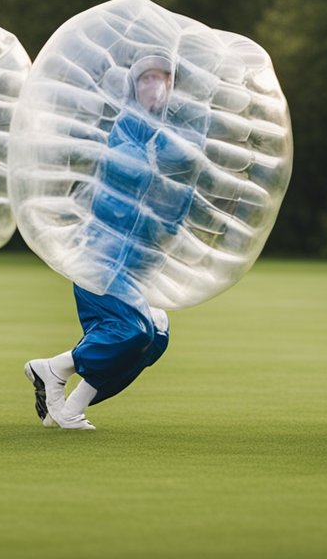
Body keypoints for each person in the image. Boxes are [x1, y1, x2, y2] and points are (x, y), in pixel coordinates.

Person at [24, 52, 197, 430]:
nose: (156, 87)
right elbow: (119, 189)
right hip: (101, 258)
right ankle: (53, 368)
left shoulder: (170, 138)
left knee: (155, 334)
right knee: (132, 331)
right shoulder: (126, 130)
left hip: (135, 264)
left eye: (164, 79)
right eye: (147, 79)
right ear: (133, 87)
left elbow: (175, 199)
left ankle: (70, 407)